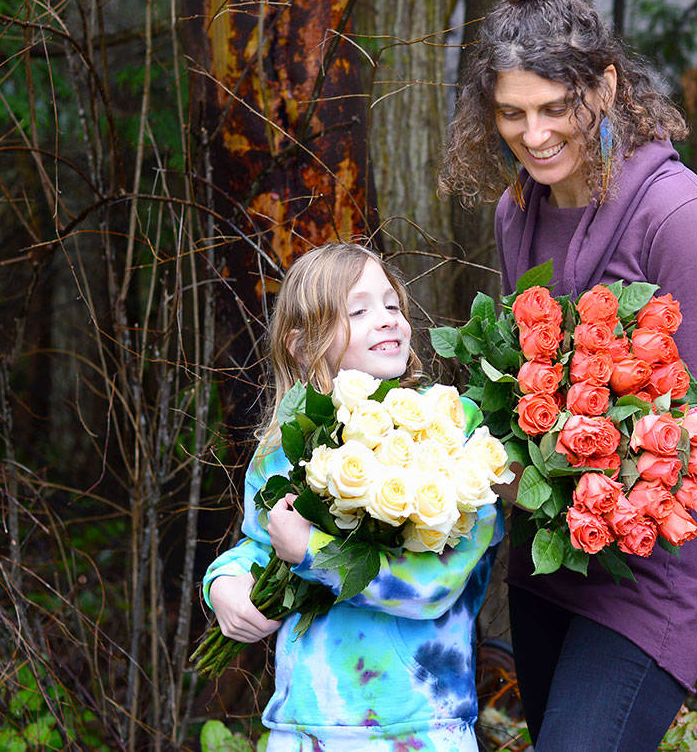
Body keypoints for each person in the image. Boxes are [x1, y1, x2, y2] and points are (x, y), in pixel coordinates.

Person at [440, 0, 697, 751]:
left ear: (605, 87)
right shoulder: (520, 211)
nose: (534, 135)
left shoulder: (676, 216)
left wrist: (593, 464)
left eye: (554, 108)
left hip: (651, 575)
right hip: (550, 566)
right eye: (512, 113)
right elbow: (520, 374)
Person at [204, 243, 502, 752]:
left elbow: (439, 582)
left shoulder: (452, 432)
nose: (386, 320)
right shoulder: (286, 446)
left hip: (421, 725)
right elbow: (262, 543)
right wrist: (224, 583)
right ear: (303, 345)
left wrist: (316, 556)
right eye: (359, 310)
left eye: (391, 305)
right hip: (306, 726)